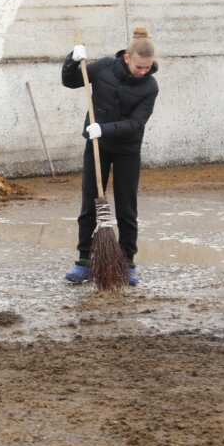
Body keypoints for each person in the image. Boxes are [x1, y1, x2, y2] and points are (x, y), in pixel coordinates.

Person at [61, 26, 159, 286]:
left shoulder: (150, 86)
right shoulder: (104, 67)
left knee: (127, 208)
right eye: (139, 66)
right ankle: (84, 262)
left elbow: (136, 123)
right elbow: (71, 81)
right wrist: (72, 60)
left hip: (128, 149)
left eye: (147, 67)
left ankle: (127, 263)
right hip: (98, 146)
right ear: (126, 58)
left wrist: (105, 128)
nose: (143, 71)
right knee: (90, 204)